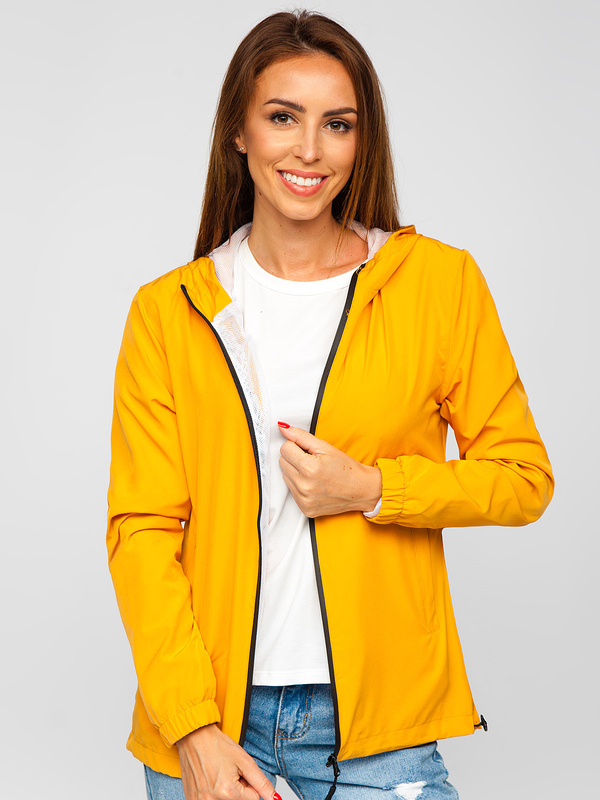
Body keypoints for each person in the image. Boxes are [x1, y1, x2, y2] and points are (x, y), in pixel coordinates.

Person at [106, 9, 554, 800]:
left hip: (380, 733)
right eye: (283, 117)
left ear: (361, 140)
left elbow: (523, 479)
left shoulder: (437, 285)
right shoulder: (169, 311)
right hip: (213, 723)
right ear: (239, 131)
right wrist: (192, 729)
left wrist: (375, 489)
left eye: (337, 124)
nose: (309, 150)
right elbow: (141, 534)